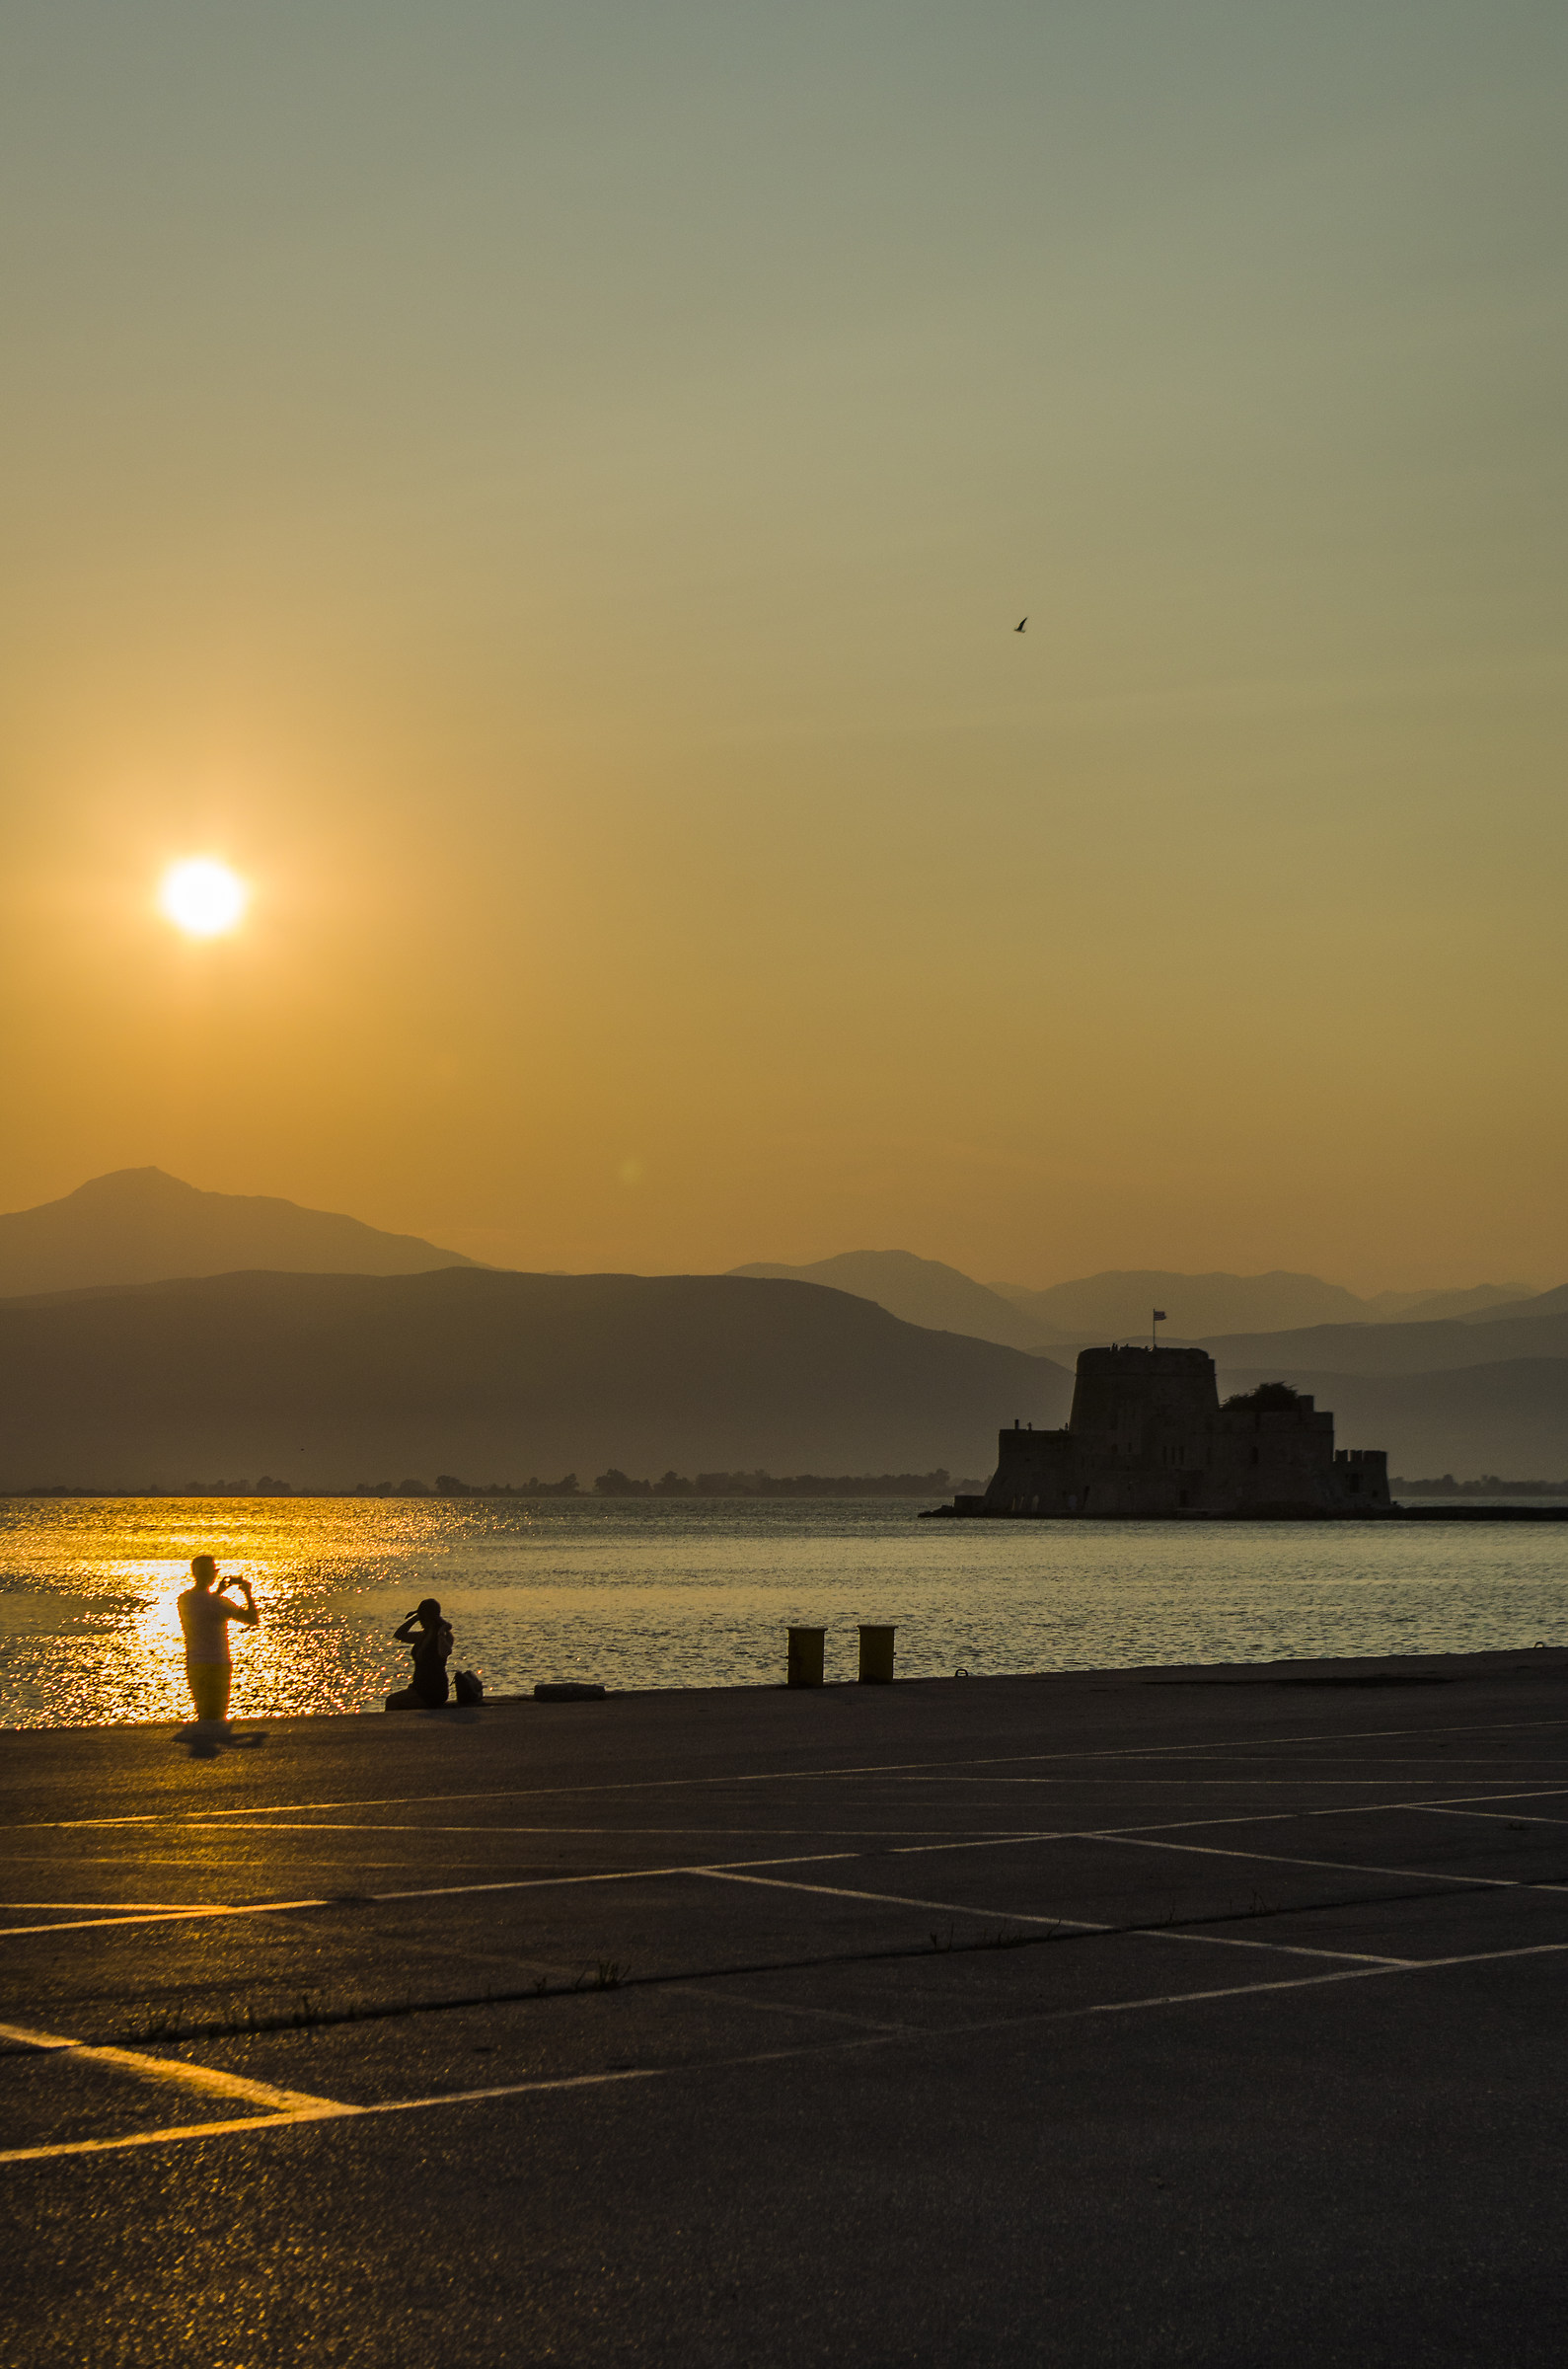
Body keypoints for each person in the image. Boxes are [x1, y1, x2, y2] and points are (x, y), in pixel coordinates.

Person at [177, 1556, 259, 1724]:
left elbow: (205, 1607)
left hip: (195, 1664)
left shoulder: (184, 1600)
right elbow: (252, 1619)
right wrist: (247, 1593)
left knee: (204, 1714)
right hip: (218, 1664)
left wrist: (218, 1592)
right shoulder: (220, 1603)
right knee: (217, 1715)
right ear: (212, 1575)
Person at [387, 1598, 453, 1710]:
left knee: (392, 1701)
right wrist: (415, 1618)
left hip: (434, 1690)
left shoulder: (444, 1636)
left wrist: (441, 1632)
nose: (421, 1621)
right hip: (418, 1688)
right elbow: (399, 1635)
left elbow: (444, 1652)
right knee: (394, 1701)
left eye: (423, 1617)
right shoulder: (422, 1636)